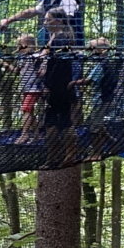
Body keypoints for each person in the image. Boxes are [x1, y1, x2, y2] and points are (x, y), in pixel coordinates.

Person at [0, 0, 82, 45]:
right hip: (54, 50)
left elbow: (63, 25)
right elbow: (29, 12)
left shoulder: (67, 0)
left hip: (71, 51)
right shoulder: (47, 1)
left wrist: (47, 48)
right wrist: (8, 20)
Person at [40, 10, 78, 163]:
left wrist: (48, 86)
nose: (45, 22)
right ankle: (53, 157)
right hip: (61, 86)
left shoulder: (60, 40)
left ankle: (70, 155)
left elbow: (55, 67)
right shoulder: (58, 38)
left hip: (58, 87)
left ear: (58, 21)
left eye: (48, 20)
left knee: (64, 121)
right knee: (51, 122)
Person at [12, 32, 45, 144]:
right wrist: (6, 65)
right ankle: (37, 135)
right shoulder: (22, 58)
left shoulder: (36, 57)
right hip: (26, 88)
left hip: (34, 88)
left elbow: (41, 70)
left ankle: (24, 134)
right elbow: (17, 71)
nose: (18, 48)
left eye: (20, 45)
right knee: (29, 111)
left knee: (26, 109)